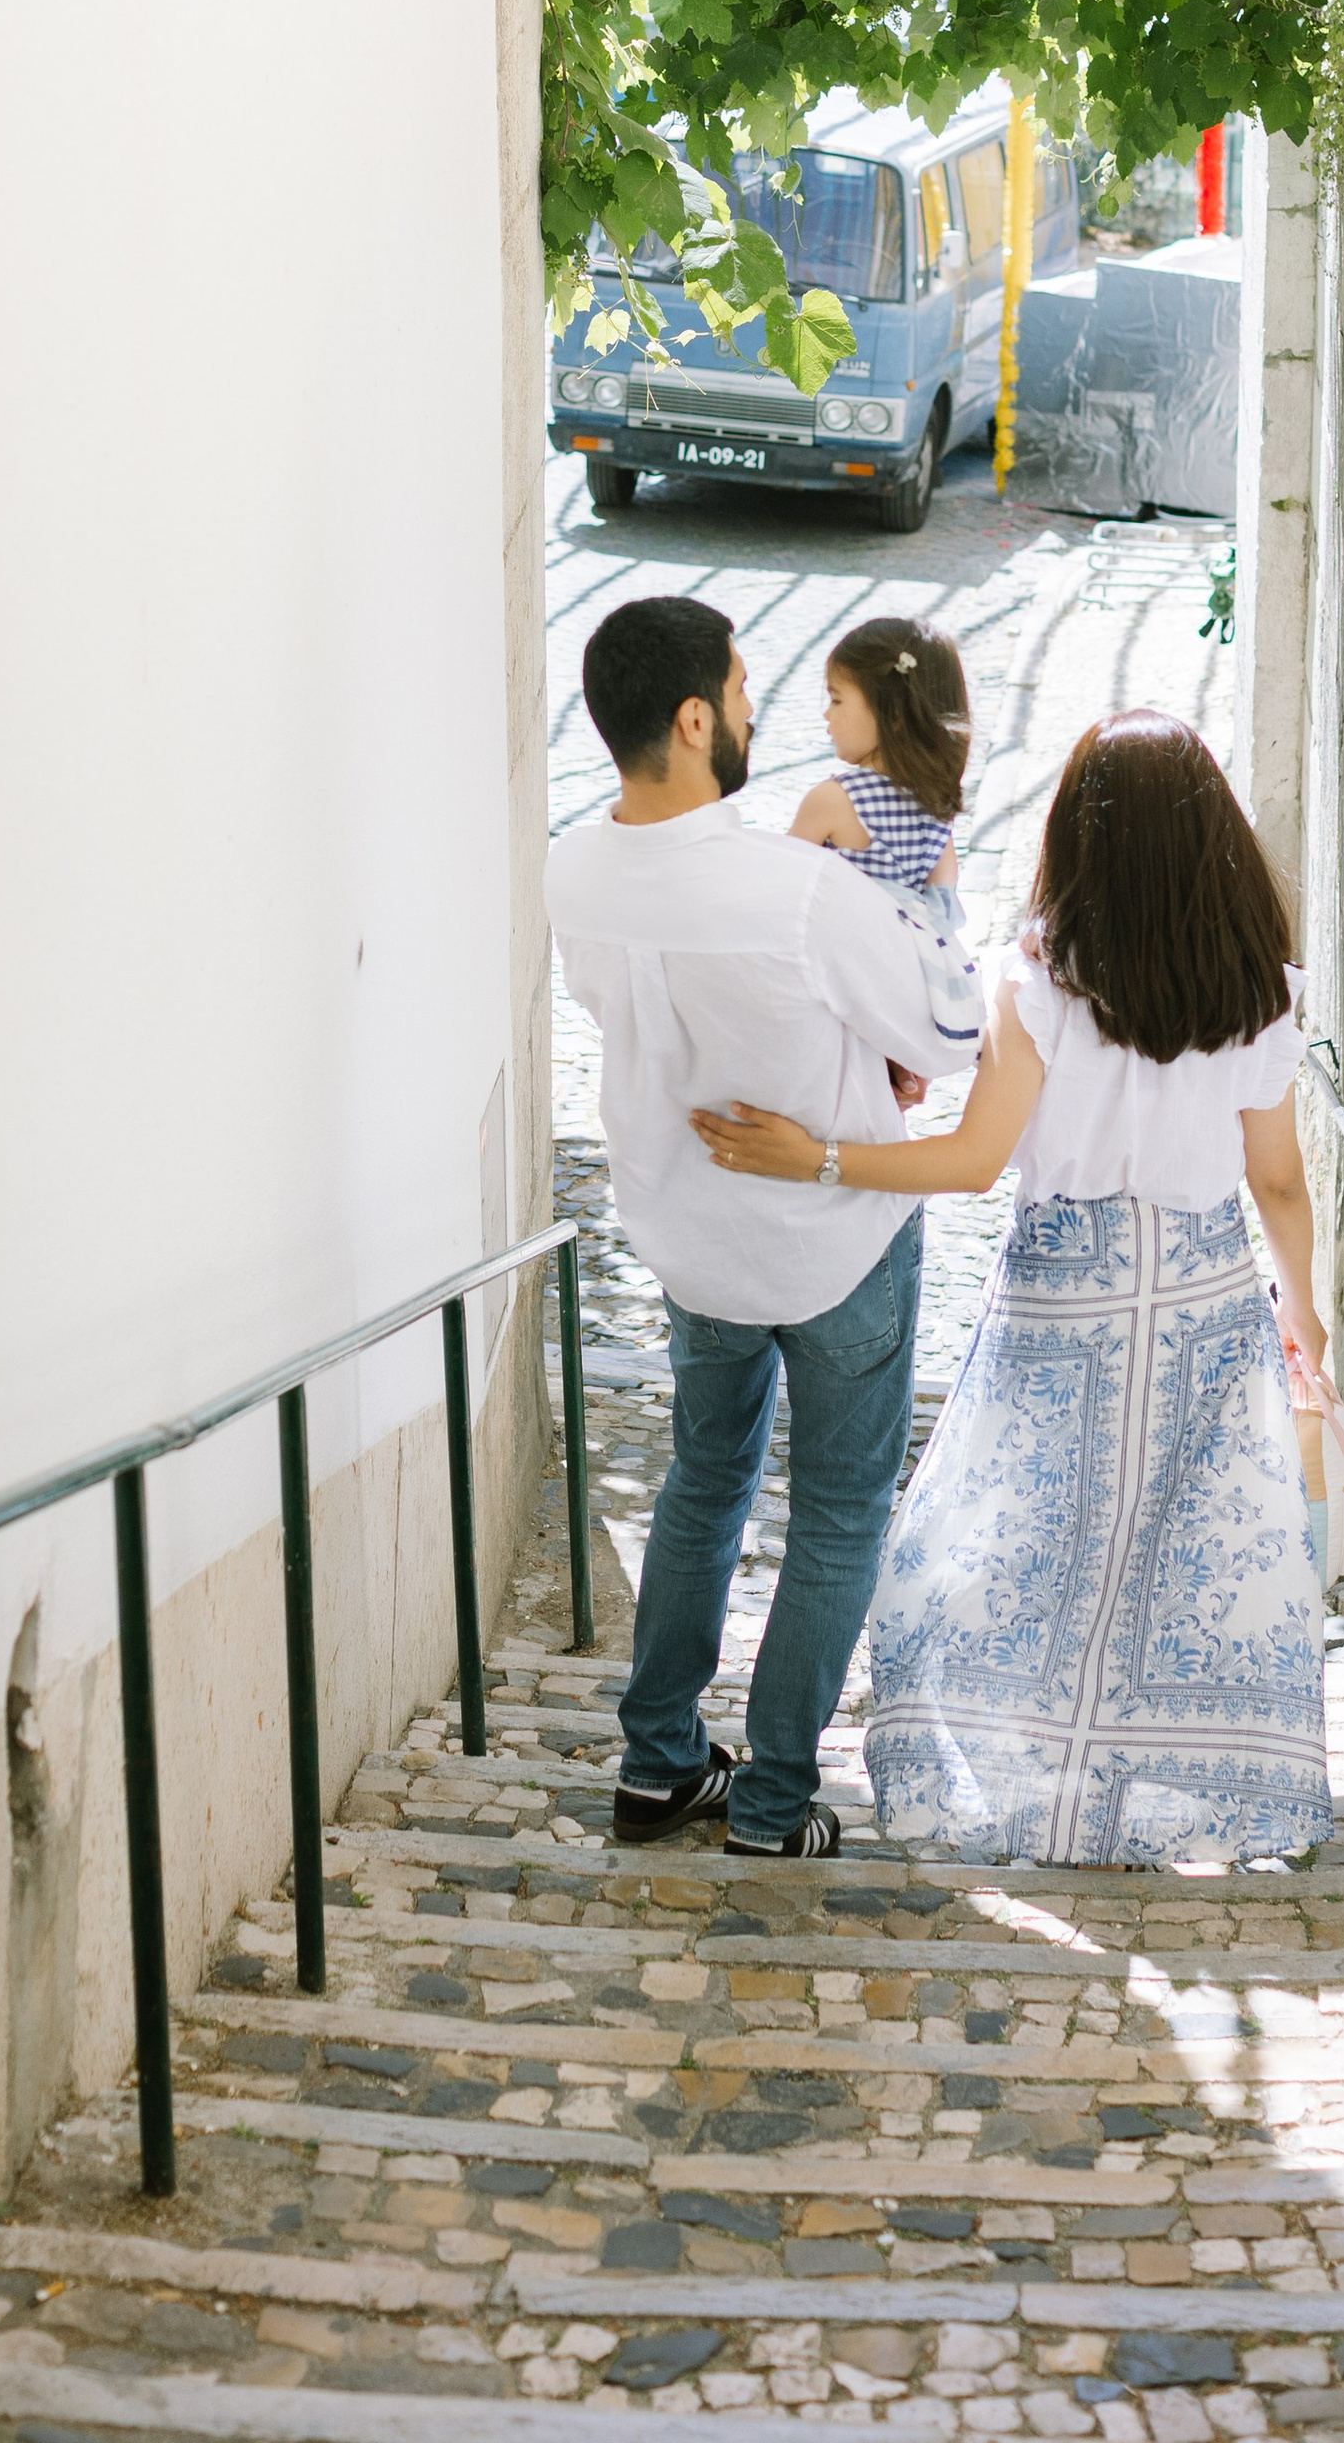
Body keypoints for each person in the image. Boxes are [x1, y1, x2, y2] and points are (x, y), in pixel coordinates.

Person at [694, 708, 1332, 1870]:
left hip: (1063, 1302)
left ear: (1075, 839)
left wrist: (821, 1159)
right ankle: (1144, 1798)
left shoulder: (1033, 986)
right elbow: (1277, 1182)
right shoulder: (1258, 996)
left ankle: (1035, 1786)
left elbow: (973, 1163)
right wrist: (1304, 1315)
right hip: (1201, 1299)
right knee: (1176, 1559)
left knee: (1022, 1542)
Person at [548, 593, 983, 1858]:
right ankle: (777, 1805)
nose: (755, 710)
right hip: (834, 1232)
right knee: (839, 1511)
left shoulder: (569, 868)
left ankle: (655, 1766)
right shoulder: (795, 891)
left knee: (702, 1484)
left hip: (688, 1240)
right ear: (693, 720)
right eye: (740, 692)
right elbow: (950, 1036)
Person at [787, 616, 972, 942]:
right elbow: (944, 899)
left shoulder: (834, 800)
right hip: (908, 972)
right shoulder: (938, 805)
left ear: (894, 713)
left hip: (842, 967)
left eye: (837, 699)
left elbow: (779, 883)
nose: (826, 713)